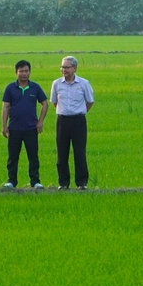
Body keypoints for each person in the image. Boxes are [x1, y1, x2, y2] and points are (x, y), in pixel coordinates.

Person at [1, 60, 49, 189]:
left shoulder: (35, 88)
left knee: (33, 156)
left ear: (30, 72)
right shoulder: (10, 88)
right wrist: (4, 125)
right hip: (14, 128)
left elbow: (45, 103)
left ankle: (35, 181)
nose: (24, 74)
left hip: (31, 128)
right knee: (13, 157)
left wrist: (40, 121)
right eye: (21, 71)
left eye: (26, 71)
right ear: (16, 72)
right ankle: (11, 181)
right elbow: (6, 107)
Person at [50, 56, 94, 190]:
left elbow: (90, 102)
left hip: (79, 121)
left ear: (74, 68)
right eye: (62, 67)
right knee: (62, 153)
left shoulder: (83, 83)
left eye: (67, 67)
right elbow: (54, 102)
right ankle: (63, 183)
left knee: (79, 152)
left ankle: (81, 183)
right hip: (62, 121)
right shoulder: (56, 84)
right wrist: (65, 112)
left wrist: (78, 112)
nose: (64, 70)